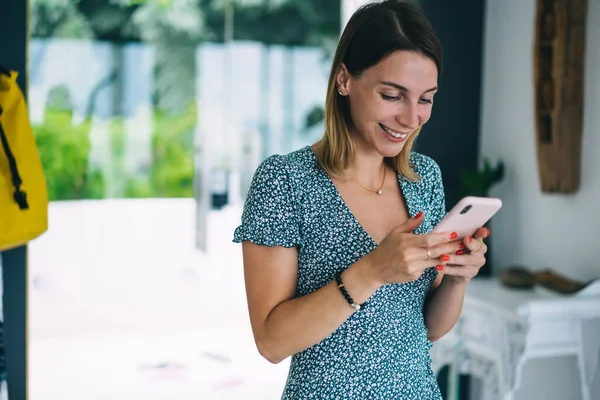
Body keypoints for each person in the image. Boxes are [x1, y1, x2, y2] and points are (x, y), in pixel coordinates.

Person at [233, 1, 491, 398]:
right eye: (392, 95)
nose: (412, 118)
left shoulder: (424, 179)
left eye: (426, 99)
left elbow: (428, 329)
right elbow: (271, 342)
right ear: (344, 80)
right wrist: (372, 270)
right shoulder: (285, 181)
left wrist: (457, 279)